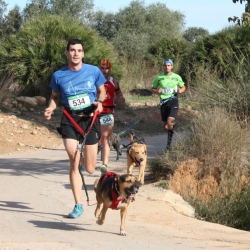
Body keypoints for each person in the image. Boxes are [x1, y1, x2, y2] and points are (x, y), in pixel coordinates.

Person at [44, 39, 106, 219]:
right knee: (73, 158)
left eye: (79, 50)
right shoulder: (58, 75)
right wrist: (50, 108)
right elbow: (55, 97)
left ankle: (91, 150)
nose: (76, 53)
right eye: (72, 50)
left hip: (90, 119)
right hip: (70, 119)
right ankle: (78, 205)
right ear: (67, 53)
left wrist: (100, 103)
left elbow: (101, 91)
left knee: (90, 168)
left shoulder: (93, 71)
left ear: (83, 54)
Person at [97, 59, 125, 174]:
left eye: (106, 68)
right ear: (99, 68)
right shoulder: (94, 80)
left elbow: (118, 92)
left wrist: (121, 98)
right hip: (95, 112)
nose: (104, 70)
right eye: (102, 68)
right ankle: (85, 158)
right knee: (95, 139)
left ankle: (104, 165)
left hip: (108, 112)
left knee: (105, 137)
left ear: (110, 69)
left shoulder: (114, 81)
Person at [151, 58, 186, 150]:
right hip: (163, 102)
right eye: (165, 65)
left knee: (170, 120)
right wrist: (157, 91)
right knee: (165, 126)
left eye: (169, 65)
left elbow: (183, 87)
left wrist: (180, 90)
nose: (167, 67)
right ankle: (173, 127)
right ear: (163, 66)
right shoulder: (159, 77)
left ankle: (168, 145)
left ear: (172, 67)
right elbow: (152, 89)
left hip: (173, 100)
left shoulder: (177, 77)